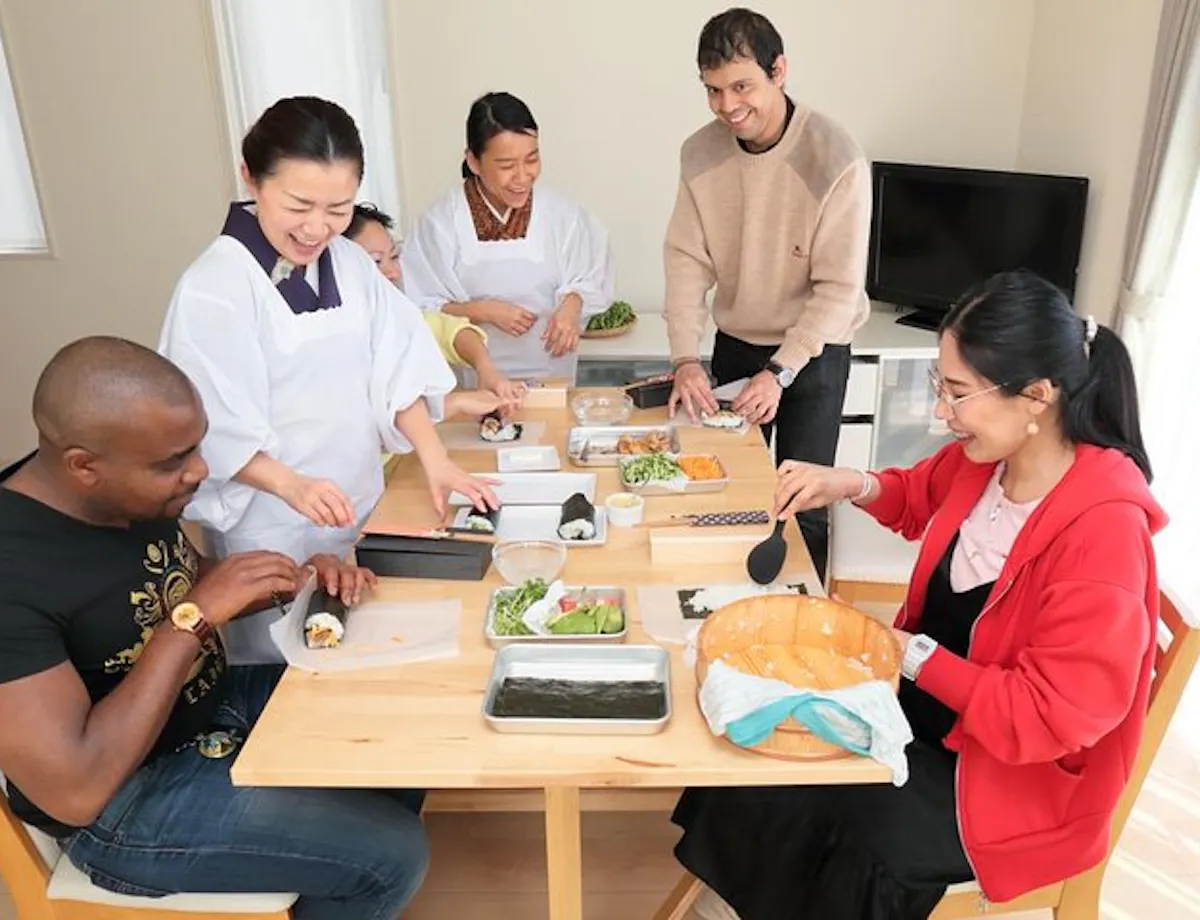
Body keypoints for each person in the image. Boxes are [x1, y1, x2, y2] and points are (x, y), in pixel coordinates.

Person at [672, 270, 1164, 920]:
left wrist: (906, 652)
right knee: (764, 743)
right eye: (940, 385)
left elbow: (1048, 718)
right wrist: (848, 482)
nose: (940, 412)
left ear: (1036, 397)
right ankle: (728, 903)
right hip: (917, 713)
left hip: (1004, 781)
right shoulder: (988, 460)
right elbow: (917, 495)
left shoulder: (1103, 534)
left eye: (957, 393)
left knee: (851, 828)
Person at [0, 337, 428, 920]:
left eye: (197, 446)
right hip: (126, 803)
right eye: (172, 463)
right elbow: (76, 792)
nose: (200, 470)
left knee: (395, 733)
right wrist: (194, 618)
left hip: (208, 707)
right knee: (393, 856)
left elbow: (162, 583)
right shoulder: (14, 569)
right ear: (83, 466)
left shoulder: (119, 494)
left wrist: (291, 583)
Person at [159, 96, 496, 664]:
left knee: (365, 643)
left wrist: (436, 460)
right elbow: (209, 426)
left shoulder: (351, 264)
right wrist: (293, 487)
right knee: (285, 663)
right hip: (268, 522)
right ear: (250, 178)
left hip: (356, 502)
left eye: (339, 208)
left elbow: (397, 367)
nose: (317, 228)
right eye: (299, 205)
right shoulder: (214, 287)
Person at [664, 8, 872, 581]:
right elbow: (685, 260)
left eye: (741, 87)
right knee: (727, 488)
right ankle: (726, 607)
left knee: (802, 504)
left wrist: (780, 372)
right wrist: (685, 359)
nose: (727, 106)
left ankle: (805, 621)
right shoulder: (700, 153)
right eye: (713, 90)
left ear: (779, 71)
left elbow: (838, 289)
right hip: (737, 342)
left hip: (813, 352)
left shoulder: (836, 157)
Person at [401, 91, 616, 382]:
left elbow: (591, 278)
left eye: (532, 160)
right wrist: (482, 311)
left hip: (552, 376)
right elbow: (419, 307)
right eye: (506, 166)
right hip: (475, 381)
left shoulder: (563, 215)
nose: (523, 176)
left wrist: (573, 303)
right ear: (474, 162)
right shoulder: (439, 224)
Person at [343, 202, 525, 411]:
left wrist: (485, 367)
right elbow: (382, 414)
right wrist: (456, 403)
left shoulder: (396, 315)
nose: (393, 272)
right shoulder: (331, 334)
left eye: (393, 257)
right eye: (376, 262)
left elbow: (449, 330)